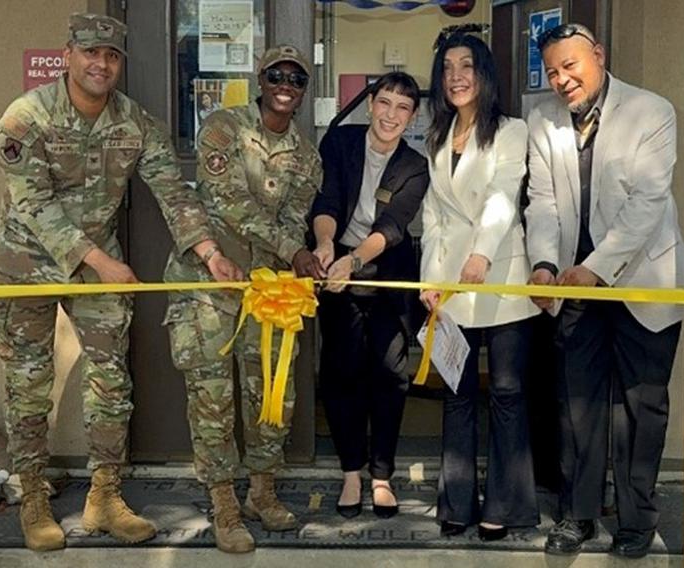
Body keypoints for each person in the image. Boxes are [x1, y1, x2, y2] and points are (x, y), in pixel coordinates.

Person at [0, 13, 240, 552]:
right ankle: (32, 496)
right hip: (28, 265)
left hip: (100, 269)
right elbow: (32, 203)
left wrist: (210, 252)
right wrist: (98, 259)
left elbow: (173, 192)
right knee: (28, 386)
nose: (100, 63)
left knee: (110, 384)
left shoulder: (135, 123)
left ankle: (104, 495)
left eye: (111, 55)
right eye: (90, 53)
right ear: (68, 55)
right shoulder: (25, 117)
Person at [525, 23, 684, 558]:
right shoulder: (541, 120)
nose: (561, 79)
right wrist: (545, 266)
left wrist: (594, 268)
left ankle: (636, 521)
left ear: (598, 55)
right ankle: (580, 515)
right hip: (575, 285)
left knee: (641, 408)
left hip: (642, 281)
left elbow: (648, 202)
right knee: (579, 404)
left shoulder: (652, 111)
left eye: (570, 66)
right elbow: (543, 203)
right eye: (552, 71)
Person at [163, 45, 322, 554]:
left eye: (295, 79)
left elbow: (296, 215)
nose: (285, 84)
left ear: (302, 90)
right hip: (211, 280)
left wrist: (297, 253)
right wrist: (292, 249)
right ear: (261, 79)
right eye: (276, 75)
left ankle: (261, 490)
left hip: (268, 292)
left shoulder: (307, 155)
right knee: (213, 400)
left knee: (272, 395)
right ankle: (224, 504)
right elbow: (229, 203)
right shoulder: (223, 128)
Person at [420, 30, 541, 541]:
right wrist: (429, 279)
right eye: (447, 69)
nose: (456, 77)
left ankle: (506, 507)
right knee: (458, 393)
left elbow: (502, 196)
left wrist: (481, 254)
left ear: (485, 73)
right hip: (451, 286)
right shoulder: (438, 135)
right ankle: (457, 504)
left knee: (508, 393)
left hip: (502, 276)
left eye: (466, 66)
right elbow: (433, 217)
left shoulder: (511, 130)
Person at [308, 72, 429, 519]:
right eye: (385, 103)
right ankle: (351, 473)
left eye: (402, 108)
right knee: (341, 374)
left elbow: (393, 227)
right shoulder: (340, 144)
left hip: (388, 281)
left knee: (390, 377)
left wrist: (353, 260)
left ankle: (381, 476)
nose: (391, 115)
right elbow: (327, 201)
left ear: (413, 116)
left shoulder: (415, 165)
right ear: (370, 105)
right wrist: (325, 245)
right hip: (337, 273)